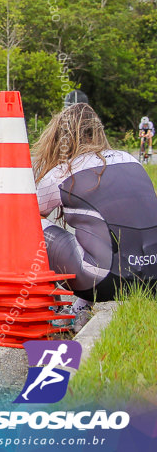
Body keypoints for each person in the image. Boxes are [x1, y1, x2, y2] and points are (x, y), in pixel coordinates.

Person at [33, 103, 157, 329]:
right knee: (108, 234)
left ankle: (50, 306)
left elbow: (27, 216)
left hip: (103, 283)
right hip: (152, 279)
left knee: (30, 224)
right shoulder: (132, 160)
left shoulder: (62, 172)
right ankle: (82, 308)